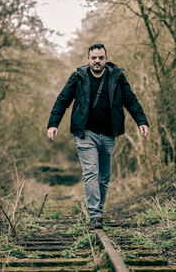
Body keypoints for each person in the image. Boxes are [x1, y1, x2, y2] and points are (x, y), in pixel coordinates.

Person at [47, 44, 149, 230]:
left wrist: (141, 121)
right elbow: (63, 100)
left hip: (109, 135)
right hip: (85, 134)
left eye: (100, 58)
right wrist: (53, 124)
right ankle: (95, 215)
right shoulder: (78, 77)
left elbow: (130, 100)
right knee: (91, 174)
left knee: (103, 178)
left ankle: (98, 211)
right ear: (88, 59)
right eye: (93, 58)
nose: (97, 61)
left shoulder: (116, 77)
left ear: (106, 59)